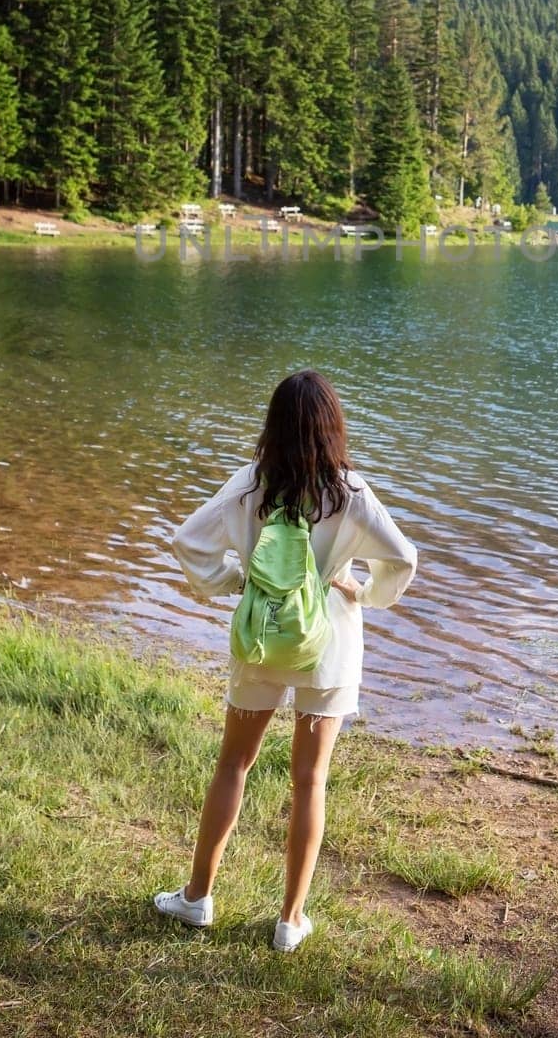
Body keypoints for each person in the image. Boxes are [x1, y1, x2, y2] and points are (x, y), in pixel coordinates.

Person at [154, 369, 418, 951]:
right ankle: (289, 921)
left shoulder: (251, 483)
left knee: (233, 766)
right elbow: (402, 559)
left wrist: (233, 579)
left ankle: (197, 899)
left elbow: (187, 542)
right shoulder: (349, 492)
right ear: (332, 428)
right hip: (327, 644)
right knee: (309, 780)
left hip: (262, 639)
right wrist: (360, 590)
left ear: (273, 425)